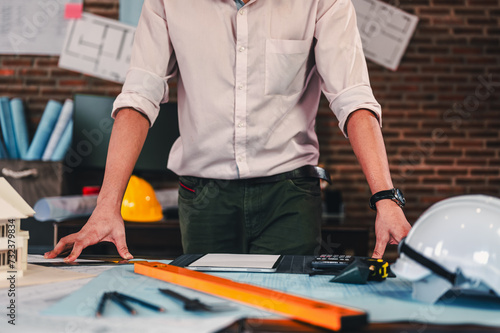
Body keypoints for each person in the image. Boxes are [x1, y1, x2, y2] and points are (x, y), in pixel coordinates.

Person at [45, 0, 411, 262]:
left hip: (288, 194)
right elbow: (140, 95)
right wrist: (107, 206)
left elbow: (353, 98)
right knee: (208, 307)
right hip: (204, 196)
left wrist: (386, 198)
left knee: (281, 315)